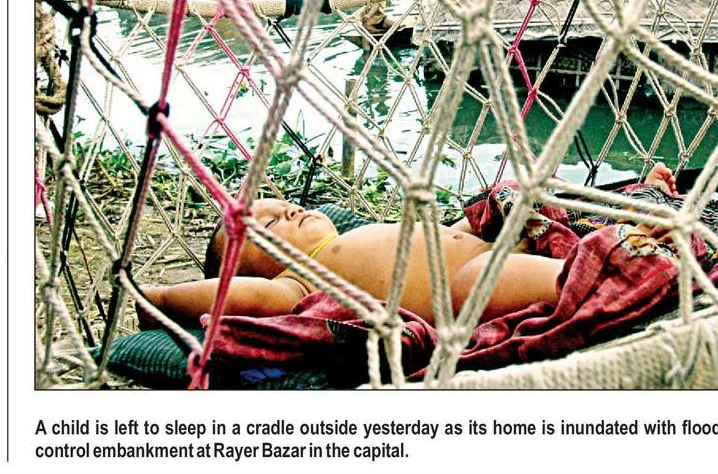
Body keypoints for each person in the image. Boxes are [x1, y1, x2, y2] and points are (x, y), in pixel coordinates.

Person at [138, 164, 685, 329]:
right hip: (471, 292)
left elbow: (450, 236)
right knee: (487, 281)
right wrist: (158, 298)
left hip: (500, 247)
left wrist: (489, 221)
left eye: (278, 204)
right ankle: (621, 256)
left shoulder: (353, 237)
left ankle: (626, 210)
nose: (285, 211)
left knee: (513, 196)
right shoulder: (298, 284)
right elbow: (243, 298)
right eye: (265, 228)